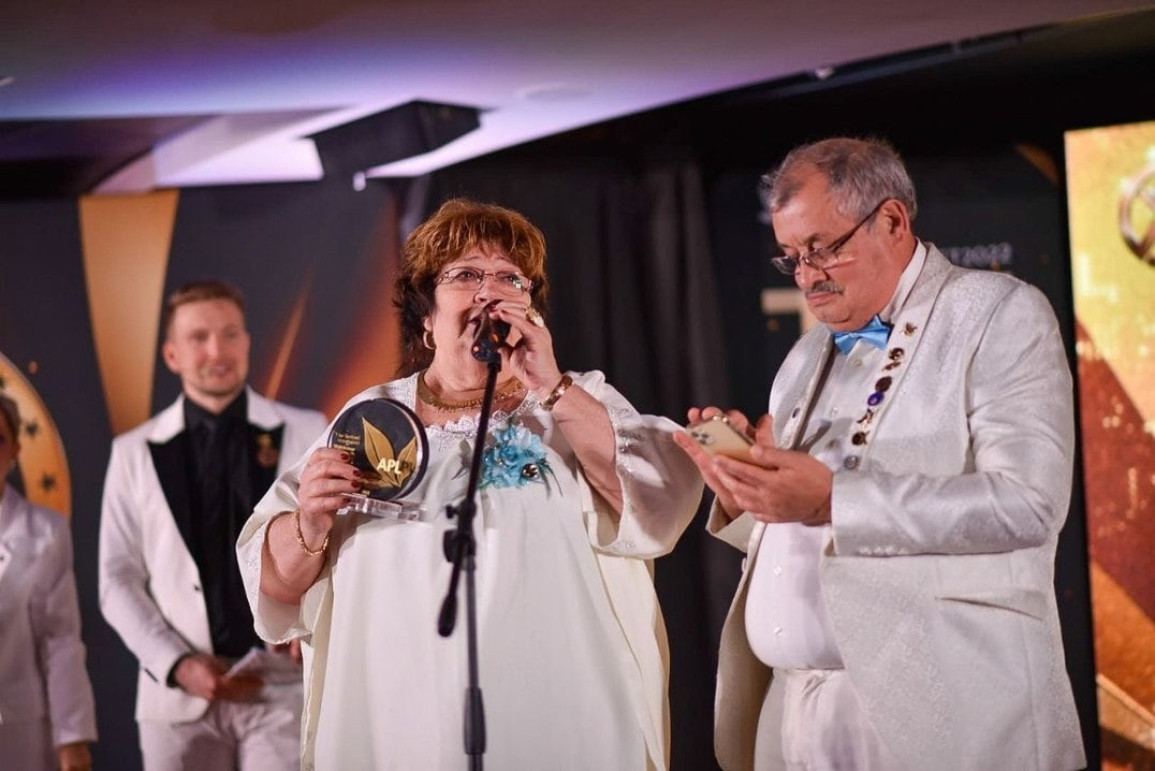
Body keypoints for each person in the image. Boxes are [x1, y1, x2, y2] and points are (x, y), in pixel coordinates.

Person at [236, 198, 703, 770]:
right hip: (400, 715)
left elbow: (659, 502)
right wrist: (310, 522)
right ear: (426, 318)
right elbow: (273, 588)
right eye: (465, 275)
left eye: (511, 278)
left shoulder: (575, 401)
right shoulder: (371, 417)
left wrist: (550, 386)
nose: (490, 292)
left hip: (557, 710)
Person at [673, 137, 1086, 770]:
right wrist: (746, 490)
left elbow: (1028, 505)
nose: (806, 275)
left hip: (945, 711)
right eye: (791, 256)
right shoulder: (806, 355)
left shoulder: (1000, 313)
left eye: (821, 248)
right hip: (795, 713)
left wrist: (832, 500)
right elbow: (808, 531)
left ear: (892, 221)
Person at [98, 280, 328, 770]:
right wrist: (177, 664)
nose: (217, 351)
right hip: (176, 698)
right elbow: (116, 578)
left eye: (229, 334)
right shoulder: (132, 452)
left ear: (247, 342)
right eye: (199, 338)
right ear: (172, 355)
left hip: (282, 688)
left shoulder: (309, 430)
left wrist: (310, 617)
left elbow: (336, 542)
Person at [0, 394, 98, 771]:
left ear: (15, 449)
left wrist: (72, 738)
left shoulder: (45, 532)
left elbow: (60, 642)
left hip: (17, 729)